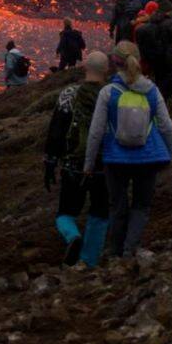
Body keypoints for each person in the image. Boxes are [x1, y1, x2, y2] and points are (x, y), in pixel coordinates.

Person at [83, 40, 172, 260]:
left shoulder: (108, 92)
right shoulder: (151, 90)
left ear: (115, 63)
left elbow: (96, 132)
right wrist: (170, 153)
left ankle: (114, 251)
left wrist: (88, 163)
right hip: (148, 157)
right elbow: (166, 126)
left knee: (117, 205)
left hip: (115, 159)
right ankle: (130, 249)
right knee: (141, 206)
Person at [44, 50, 112, 266]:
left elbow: (56, 131)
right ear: (106, 70)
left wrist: (50, 161)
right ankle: (89, 261)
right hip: (105, 166)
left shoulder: (68, 94)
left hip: (73, 165)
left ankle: (73, 236)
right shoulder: (113, 95)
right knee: (100, 213)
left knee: (65, 212)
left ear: (85, 68)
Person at [133, 1, 172, 98]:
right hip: (158, 60)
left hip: (151, 60)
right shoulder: (149, 26)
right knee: (165, 84)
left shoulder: (142, 25)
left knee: (159, 80)